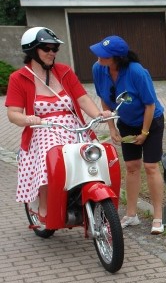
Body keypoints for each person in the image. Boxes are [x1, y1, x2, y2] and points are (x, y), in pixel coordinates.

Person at [5, 27, 112, 220]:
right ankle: (45, 205)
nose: (52, 52)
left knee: (95, 154)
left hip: (72, 126)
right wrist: (28, 119)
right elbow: (13, 114)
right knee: (51, 154)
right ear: (32, 50)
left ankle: (85, 192)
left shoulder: (64, 71)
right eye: (46, 48)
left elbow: (82, 98)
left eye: (55, 48)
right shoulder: (19, 78)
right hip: (42, 129)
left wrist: (99, 114)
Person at [90, 35, 166, 235]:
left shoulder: (137, 72)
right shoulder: (98, 69)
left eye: (104, 54)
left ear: (117, 57)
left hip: (151, 121)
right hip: (126, 122)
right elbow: (104, 100)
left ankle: (158, 216)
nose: (98, 56)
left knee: (150, 166)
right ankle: (131, 214)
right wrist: (112, 128)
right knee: (132, 167)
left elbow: (150, 104)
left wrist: (144, 132)